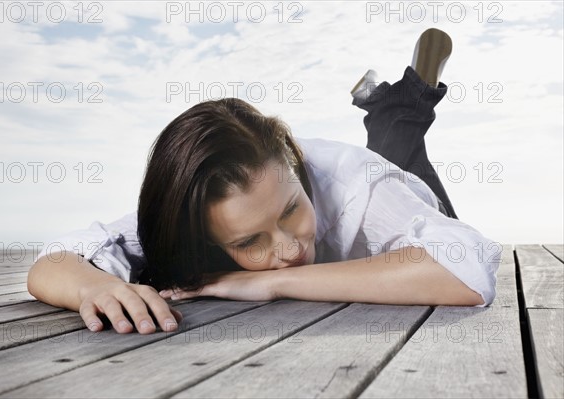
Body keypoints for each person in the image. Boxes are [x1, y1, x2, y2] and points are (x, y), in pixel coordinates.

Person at [28, 29, 501, 335]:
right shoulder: (204, 199)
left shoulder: (358, 186)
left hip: (401, 196)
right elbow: (57, 260)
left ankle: (405, 100)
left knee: (399, 154)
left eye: (291, 210)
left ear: (294, 166)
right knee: (389, 143)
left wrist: (273, 284)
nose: (290, 248)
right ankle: (381, 104)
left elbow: (468, 272)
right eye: (250, 240)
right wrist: (92, 288)